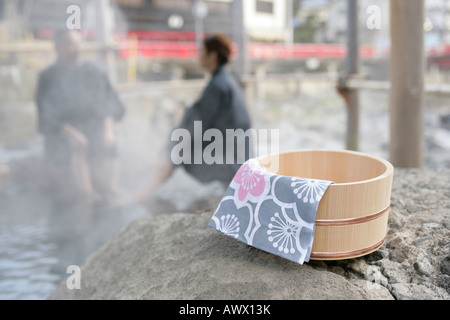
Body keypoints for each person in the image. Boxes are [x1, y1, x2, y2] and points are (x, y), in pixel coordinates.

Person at [133, 33, 252, 204]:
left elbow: (194, 125)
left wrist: (171, 142)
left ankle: (142, 194)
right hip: (238, 156)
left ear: (213, 55)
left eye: (202, 52)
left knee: (177, 148)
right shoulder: (228, 80)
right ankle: (146, 190)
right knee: (179, 143)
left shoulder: (217, 86)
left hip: (229, 161)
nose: (199, 56)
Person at [36, 30, 125, 202]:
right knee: (78, 145)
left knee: (108, 140)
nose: (75, 49)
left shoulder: (94, 72)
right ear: (57, 47)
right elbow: (47, 115)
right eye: (69, 44)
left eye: (77, 44)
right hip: (63, 133)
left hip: (92, 127)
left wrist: (108, 132)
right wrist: (71, 133)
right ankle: (88, 196)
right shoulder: (48, 77)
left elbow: (109, 104)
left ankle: (110, 190)